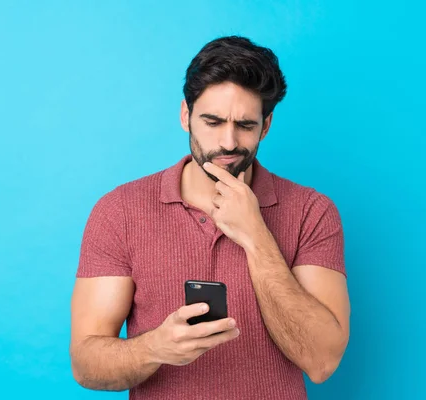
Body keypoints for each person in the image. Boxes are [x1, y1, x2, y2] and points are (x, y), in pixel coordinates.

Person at [69, 35, 350, 400]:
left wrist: (256, 236)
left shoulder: (312, 212)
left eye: (245, 125)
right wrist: (154, 347)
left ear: (265, 127)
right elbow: (86, 364)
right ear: (186, 116)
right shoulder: (120, 211)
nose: (229, 142)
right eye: (213, 121)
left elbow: (322, 362)